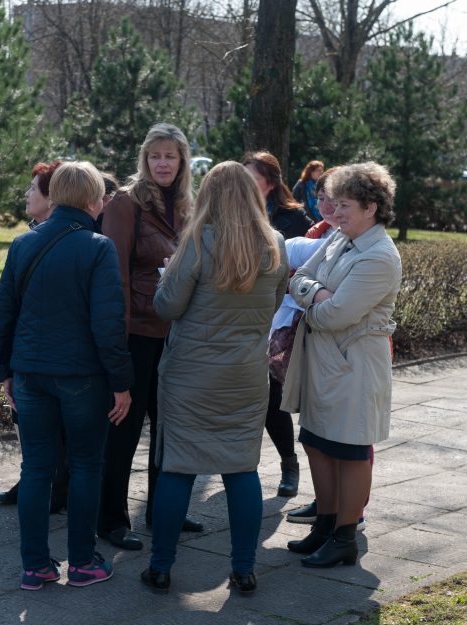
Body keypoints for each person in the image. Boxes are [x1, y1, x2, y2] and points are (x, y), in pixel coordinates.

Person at [140, 161, 289, 595]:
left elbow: (167, 307)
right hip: (245, 375)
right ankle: (244, 570)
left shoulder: (197, 242)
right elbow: (275, 302)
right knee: (241, 469)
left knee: (178, 468)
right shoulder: (274, 244)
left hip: (191, 375)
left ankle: (161, 567)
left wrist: (164, 277)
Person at [0, 160, 134, 591]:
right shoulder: (97, 246)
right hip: (82, 377)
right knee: (87, 466)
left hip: (30, 373)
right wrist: (122, 382)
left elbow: (3, 314)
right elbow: (108, 325)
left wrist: (3, 371)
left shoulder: (22, 243)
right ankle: (83, 562)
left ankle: (34, 566)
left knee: (36, 469)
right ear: (93, 199)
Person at [283, 162, 401, 568]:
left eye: (345, 204)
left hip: (354, 367)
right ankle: (326, 524)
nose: (334, 211)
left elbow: (335, 315)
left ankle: (345, 536)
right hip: (323, 361)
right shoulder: (340, 239)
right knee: (316, 442)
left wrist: (313, 299)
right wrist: (320, 294)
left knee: (348, 450)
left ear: (372, 207)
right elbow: (298, 278)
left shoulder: (380, 255)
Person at [98, 122, 203, 552]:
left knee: (170, 428)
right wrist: (117, 339)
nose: (162, 163)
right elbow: (114, 273)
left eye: (171, 156)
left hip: (176, 335)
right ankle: (111, 518)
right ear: (145, 159)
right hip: (136, 333)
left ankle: (164, 509)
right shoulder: (126, 204)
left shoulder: (188, 205)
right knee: (123, 430)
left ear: (182, 162)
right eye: (155, 155)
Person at [0, 160, 69, 511]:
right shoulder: (34, 236)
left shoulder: (35, 243)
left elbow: (8, 311)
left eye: (32, 188)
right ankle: (38, 484)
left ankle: (49, 488)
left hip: (38, 361)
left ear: (51, 199)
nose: (25, 194)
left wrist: (2, 365)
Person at [263, 167, 340, 500]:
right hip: (293, 332)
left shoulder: (351, 241)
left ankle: (345, 510)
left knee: (335, 428)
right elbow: (292, 265)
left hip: (332, 344)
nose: (325, 205)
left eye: (334, 199)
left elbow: (323, 287)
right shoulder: (316, 231)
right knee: (288, 410)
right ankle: (324, 503)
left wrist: (300, 285)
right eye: (320, 197)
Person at [244, 151, 314, 239]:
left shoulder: (295, 217)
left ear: (272, 183)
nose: (245, 183)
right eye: (243, 178)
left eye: (253, 179)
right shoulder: (231, 213)